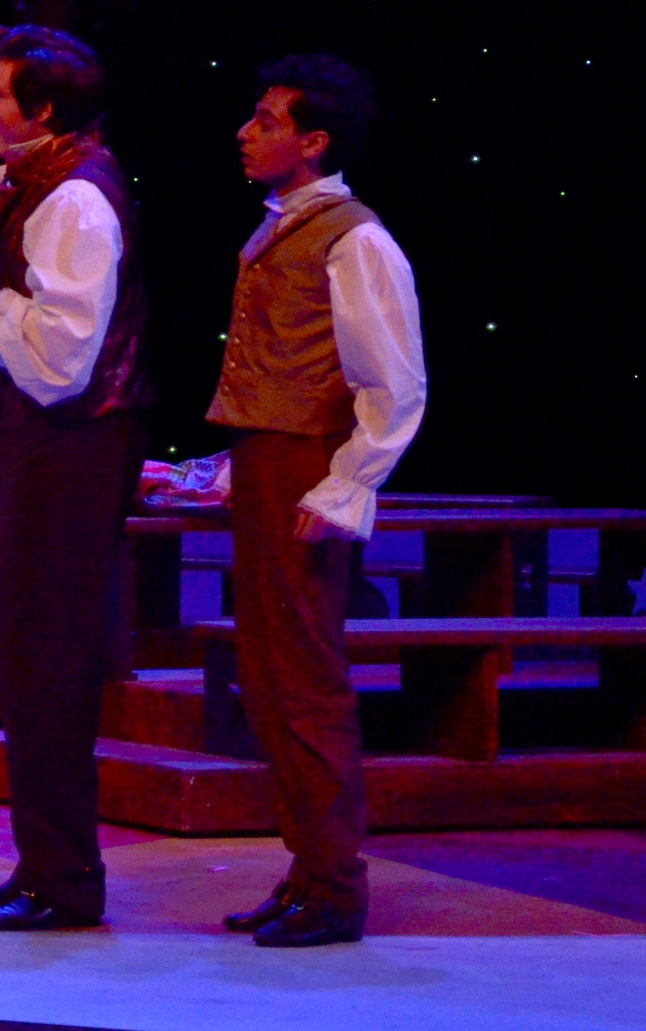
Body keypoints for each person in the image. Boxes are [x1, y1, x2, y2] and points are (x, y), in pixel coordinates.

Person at [207, 55, 425, 947]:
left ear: (314, 140)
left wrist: (346, 486)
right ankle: (307, 871)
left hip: (307, 472)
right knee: (267, 681)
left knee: (305, 684)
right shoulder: (284, 226)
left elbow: (393, 383)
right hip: (270, 463)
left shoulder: (356, 239)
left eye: (267, 120)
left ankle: (335, 886)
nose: (246, 132)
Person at [0, 26, 155, 930]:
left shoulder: (76, 200)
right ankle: (44, 864)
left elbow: (67, 358)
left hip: (75, 440)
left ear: (45, 109)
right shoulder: (36, 184)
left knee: (54, 655)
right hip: (44, 437)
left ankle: (63, 880)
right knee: (31, 652)